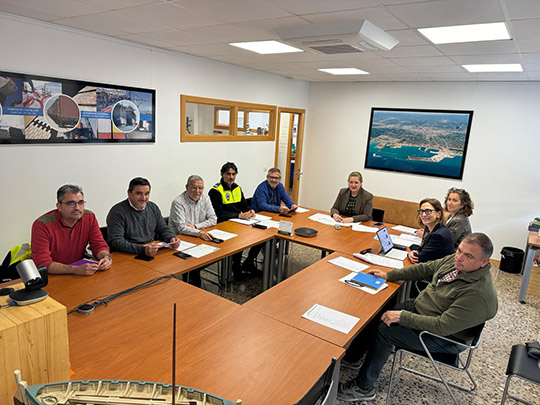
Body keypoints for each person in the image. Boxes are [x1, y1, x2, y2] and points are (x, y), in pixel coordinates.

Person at [338, 233, 498, 402]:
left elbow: (442, 326)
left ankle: (363, 387)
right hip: (424, 309)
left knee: (386, 330)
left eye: (468, 256)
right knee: (380, 312)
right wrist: (390, 275)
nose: (459, 257)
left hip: (444, 336)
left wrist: (403, 317)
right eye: (459, 251)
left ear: (484, 262)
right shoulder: (457, 262)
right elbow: (425, 268)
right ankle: (354, 357)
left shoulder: (477, 294)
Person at [31, 184, 112, 275]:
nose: (77, 208)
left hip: (80, 271)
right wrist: (75, 269)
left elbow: (98, 244)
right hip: (53, 275)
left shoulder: (89, 217)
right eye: (71, 203)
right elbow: (43, 263)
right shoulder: (42, 225)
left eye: (81, 202)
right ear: (59, 206)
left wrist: (105, 258)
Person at [242, 168, 298, 273]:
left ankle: (269, 250)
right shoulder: (261, 188)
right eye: (271, 177)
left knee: (280, 232)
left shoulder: (280, 186)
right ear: (267, 178)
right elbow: (262, 206)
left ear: (280, 179)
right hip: (258, 218)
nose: (274, 180)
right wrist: (279, 209)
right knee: (263, 238)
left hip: (273, 217)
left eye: (276, 178)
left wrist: (292, 205)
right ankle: (249, 261)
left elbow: (286, 198)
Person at [107, 177, 180, 257]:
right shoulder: (117, 212)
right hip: (127, 255)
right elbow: (117, 241)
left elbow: (163, 229)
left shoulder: (153, 207)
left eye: (147, 194)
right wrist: (142, 249)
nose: (143, 198)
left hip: (150, 251)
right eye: (139, 193)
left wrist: (171, 238)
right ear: (129, 193)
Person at [209, 162, 255, 279]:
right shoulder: (215, 191)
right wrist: (239, 216)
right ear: (222, 174)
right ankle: (234, 269)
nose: (231, 177)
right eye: (228, 174)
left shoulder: (237, 188)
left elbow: (244, 205)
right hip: (223, 225)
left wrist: (250, 211)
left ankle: (241, 265)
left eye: (233, 174)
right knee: (237, 240)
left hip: (239, 224)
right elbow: (219, 214)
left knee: (252, 237)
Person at [169, 175, 217, 287]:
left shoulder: (205, 198)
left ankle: (194, 284)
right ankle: (192, 286)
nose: (197, 191)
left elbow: (213, 219)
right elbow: (181, 227)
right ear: (187, 187)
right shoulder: (178, 202)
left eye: (200, 188)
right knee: (193, 265)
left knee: (219, 251)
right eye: (194, 187)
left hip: (197, 238)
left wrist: (195, 227)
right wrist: (199, 232)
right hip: (180, 240)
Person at [408, 198, 454, 264]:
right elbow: (423, 249)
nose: (423, 215)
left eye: (428, 211)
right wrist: (414, 251)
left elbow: (420, 258)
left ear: (438, 214)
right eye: (421, 211)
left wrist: (410, 254)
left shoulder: (439, 235)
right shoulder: (428, 227)